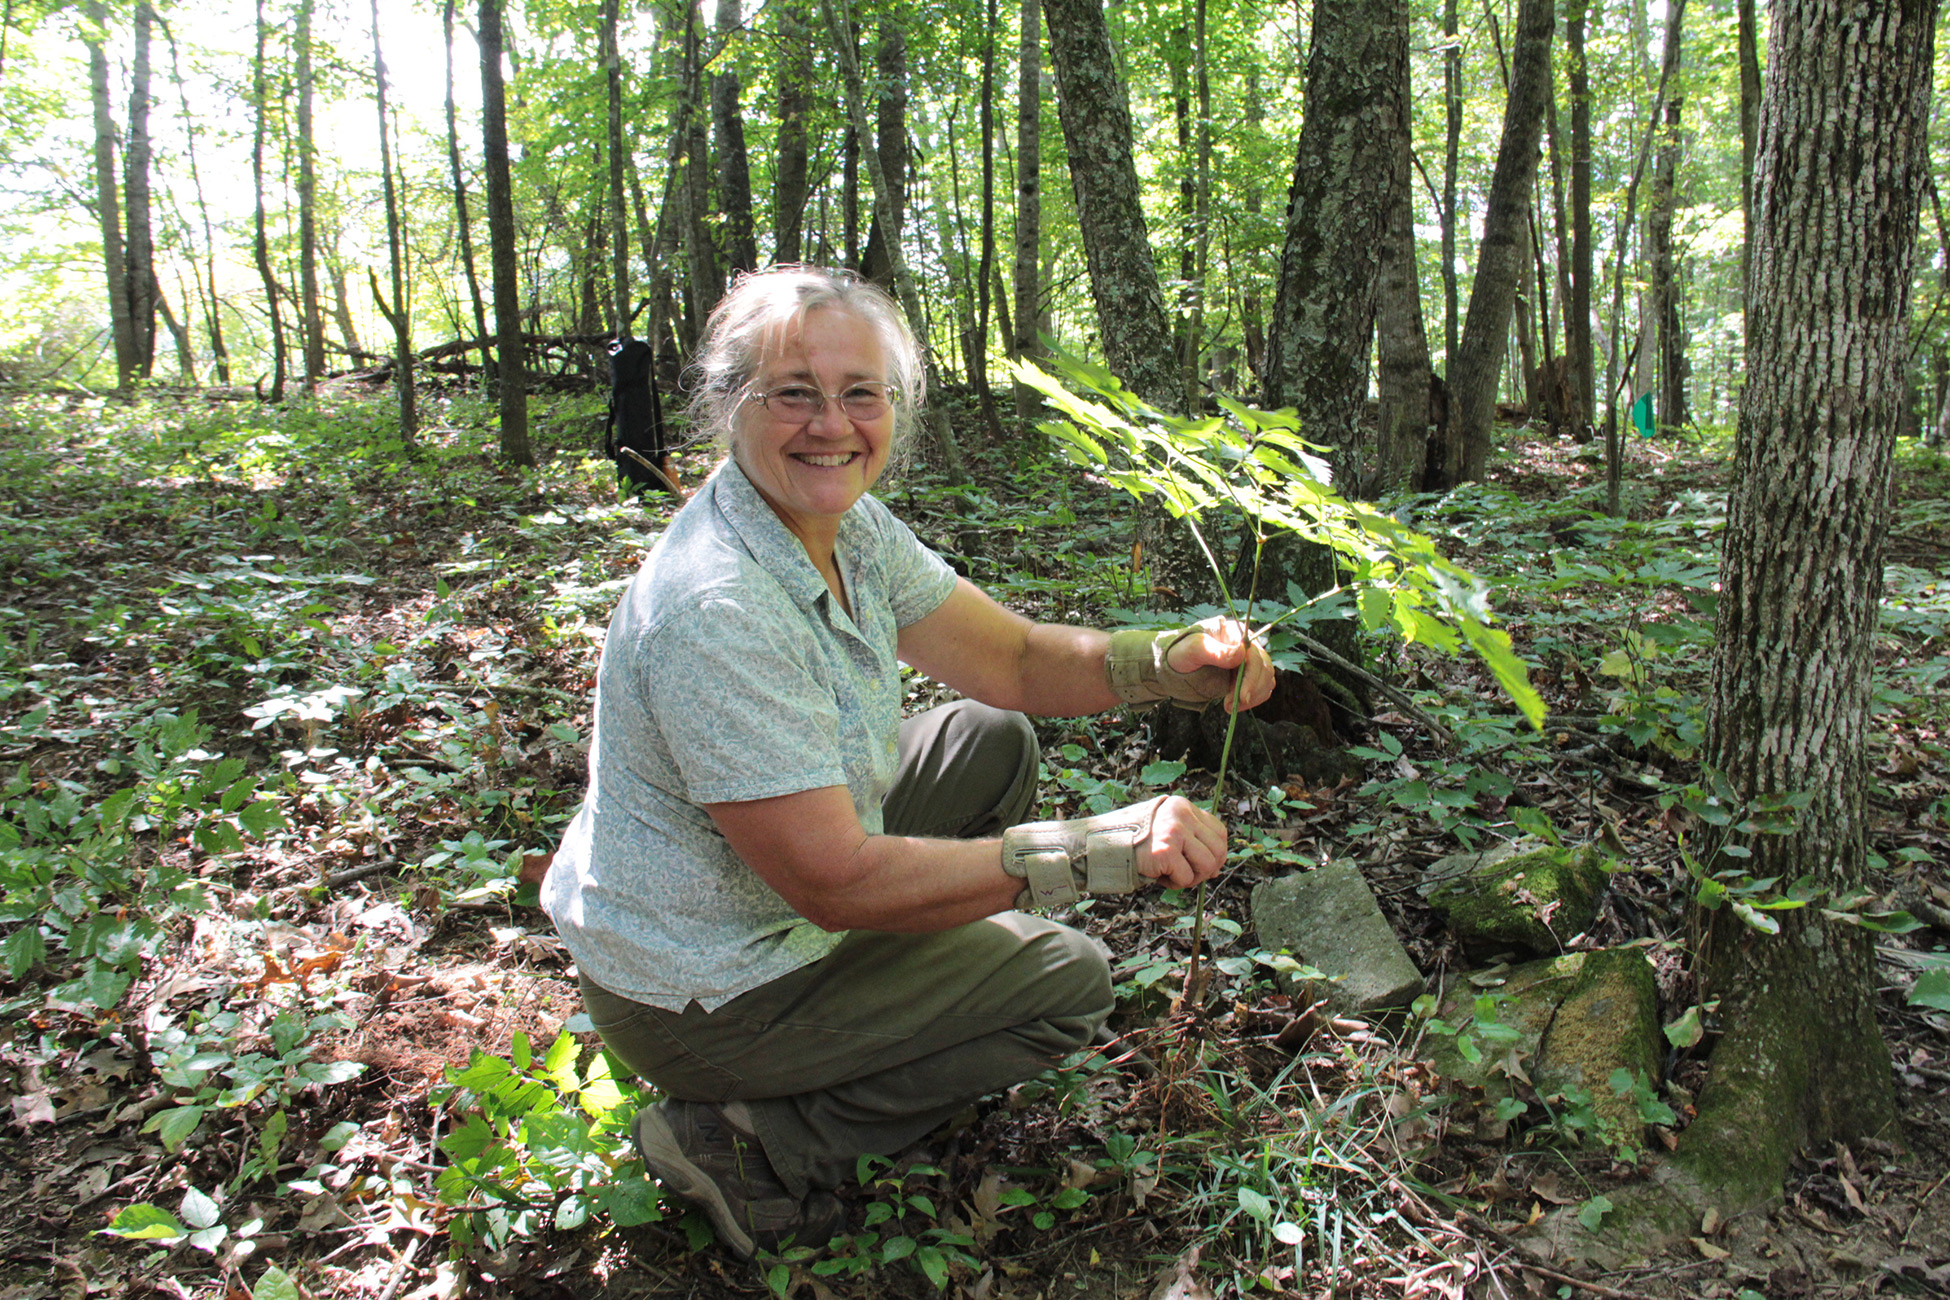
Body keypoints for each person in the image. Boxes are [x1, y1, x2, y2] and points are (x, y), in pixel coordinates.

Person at [541, 265, 1275, 1259]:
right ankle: (753, 1139)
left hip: (765, 904)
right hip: (697, 990)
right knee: (1068, 980)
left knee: (988, 737)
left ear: (893, 408)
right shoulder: (717, 608)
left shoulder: (836, 521)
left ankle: (897, 998)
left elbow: (1010, 659)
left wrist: (1170, 664)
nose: (830, 423)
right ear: (729, 406)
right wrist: (1094, 850)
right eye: (793, 391)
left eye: (860, 393)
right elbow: (834, 881)